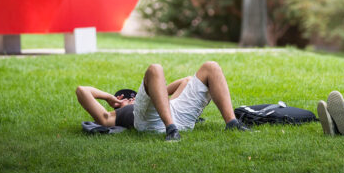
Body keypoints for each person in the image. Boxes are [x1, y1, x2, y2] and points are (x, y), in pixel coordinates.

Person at [76, 60, 250, 141]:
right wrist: (109, 98)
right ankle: (171, 130)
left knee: (210, 67)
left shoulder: (160, 103)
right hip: (149, 122)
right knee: (155, 68)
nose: (132, 98)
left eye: (133, 96)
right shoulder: (111, 116)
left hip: (176, 114)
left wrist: (156, 90)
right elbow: (82, 91)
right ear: (119, 100)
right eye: (128, 97)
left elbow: (186, 81)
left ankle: (232, 122)